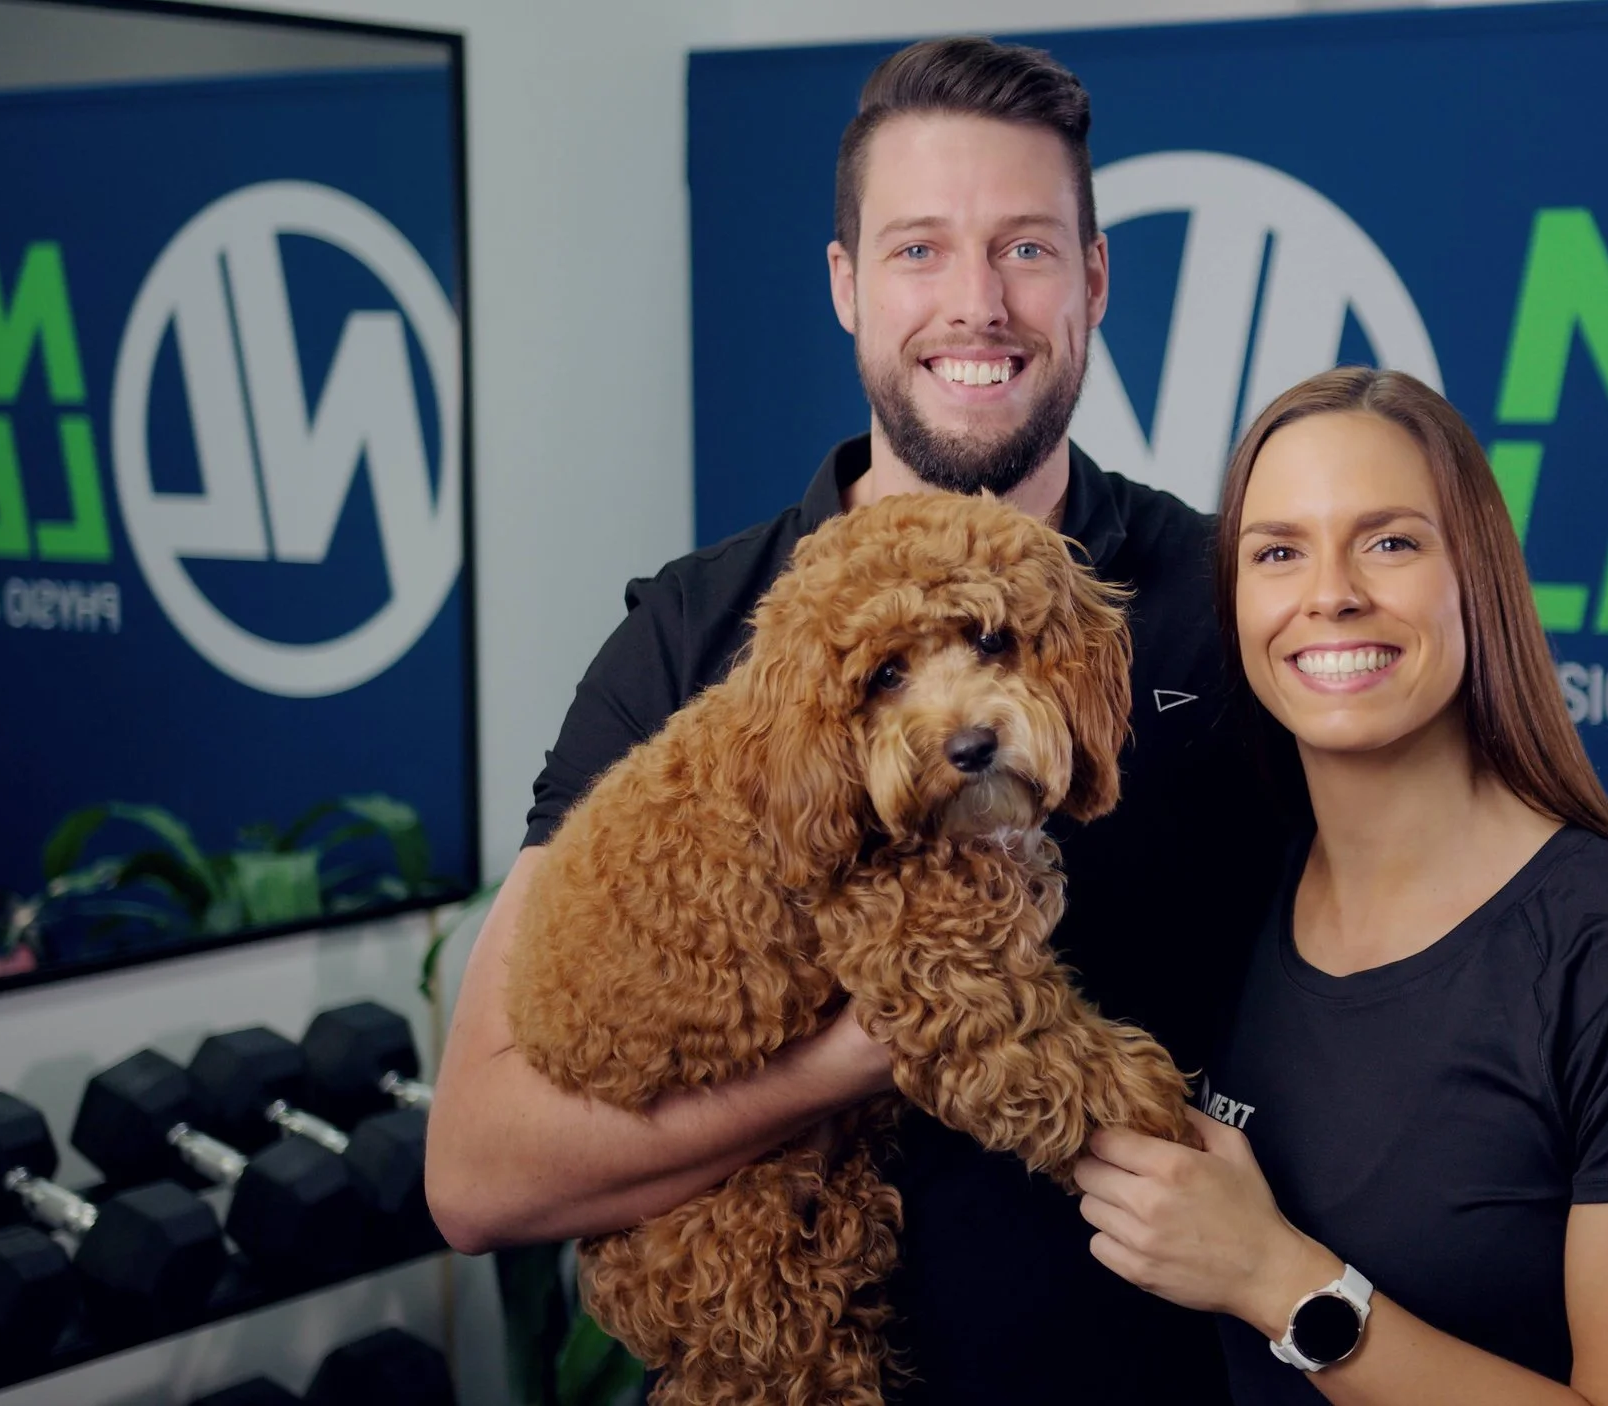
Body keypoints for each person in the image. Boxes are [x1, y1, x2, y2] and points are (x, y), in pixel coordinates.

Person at [423, 36, 1281, 1405]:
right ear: (846, 286)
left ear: (1097, 278)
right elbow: (476, 1168)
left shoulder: (1232, 592)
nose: (979, 305)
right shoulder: (692, 632)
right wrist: (864, 1048)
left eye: (1028, 249)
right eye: (920, 250)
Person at [1071, 367, 1608, 1405]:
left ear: (1478, 579)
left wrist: (1276, 1278)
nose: (1330, 593)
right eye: (1278, 551)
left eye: (1390, 541)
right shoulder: (1229, 897)